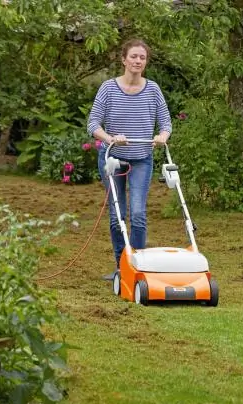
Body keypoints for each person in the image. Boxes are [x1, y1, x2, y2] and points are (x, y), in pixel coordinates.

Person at [87, 39, 172, 280]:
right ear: (124, 59)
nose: (137, 61)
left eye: (142, 58)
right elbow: (93, 124)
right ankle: (121, 266)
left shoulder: (153, 89)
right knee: (117, 216)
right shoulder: (108, 88)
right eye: (133, 56)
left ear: (145, 62)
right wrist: (111, 137)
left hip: (141, 159)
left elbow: (166, 123)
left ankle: (138, 266)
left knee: (137, 214)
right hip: (112, 158)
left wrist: (161, 137)